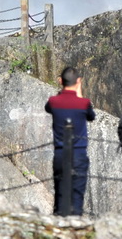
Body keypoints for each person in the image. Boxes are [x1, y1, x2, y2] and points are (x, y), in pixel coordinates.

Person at [44, 66, 95, 216]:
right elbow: (91, 116)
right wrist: (78, 94)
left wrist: (63, 91)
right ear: (78, 81)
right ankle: (75, 227)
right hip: (78, 154)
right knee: (77, 195)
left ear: (60, 81)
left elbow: (48, 108)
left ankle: (59, 226)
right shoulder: (84, 103)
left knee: (60, 192)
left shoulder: (53, 101)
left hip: (60, 154)